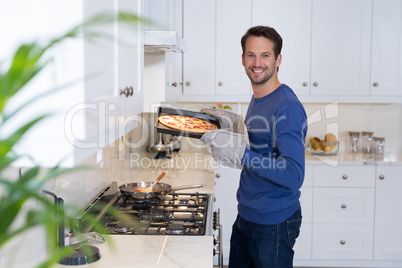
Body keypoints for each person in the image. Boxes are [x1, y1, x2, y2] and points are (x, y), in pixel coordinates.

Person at [201, 25, 308, 268]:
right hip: (247, 215)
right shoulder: (260, 96)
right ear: (242, 59)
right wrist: (233, 126)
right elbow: (261, 146)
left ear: (278, 59)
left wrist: (242, 154)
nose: (256, 62)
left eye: (265, 55)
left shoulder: (287, 106)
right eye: (251, 55)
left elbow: (294, 174)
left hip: (274, 223)